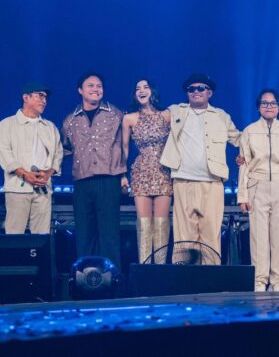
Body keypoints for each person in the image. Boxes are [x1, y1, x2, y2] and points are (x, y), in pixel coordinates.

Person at [160, 73, 240, 264]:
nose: (196, 91)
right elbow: (151, 121)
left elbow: (239, 139)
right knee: (184, 237)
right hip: (183, 180)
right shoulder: (176, 111)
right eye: (191, 89)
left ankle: (210, 277)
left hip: (212, 182)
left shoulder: (221, 116)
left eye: (201, 88)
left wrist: (269, 129)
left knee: (211, 234)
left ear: (209, 92)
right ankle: (183, 277)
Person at [238, 89, 279, 291]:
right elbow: (244, 164)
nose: (269, 106)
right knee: (258, 235)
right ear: (258, 107)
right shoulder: (249, 131)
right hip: (257, 184)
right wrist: (243, 195)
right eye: (264, 103)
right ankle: (259, 281)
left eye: (273, 103)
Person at [61, 72, 126, 265]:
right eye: (90, 85)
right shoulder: (70, 120)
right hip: (82, 182)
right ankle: (86, 275)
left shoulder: (116, 114)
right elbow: (64, 149)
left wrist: (124, 174)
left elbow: (126, 145)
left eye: (99, 86)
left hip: (109, 179)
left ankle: (112, 277)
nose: (96, 89)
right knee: (84, 233)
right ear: (80, 90)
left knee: (109, 233)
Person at [0, 83, 63, 235]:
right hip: (17, 188)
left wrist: (48, 173)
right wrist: (25, 174)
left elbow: (58, 154)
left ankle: (38, 253)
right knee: (14, 234)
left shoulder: (50, 127)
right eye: (40, 96)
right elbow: (5, 154)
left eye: (45, 97)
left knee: (41, 235)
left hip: (43, 188)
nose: (44, 100)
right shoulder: (7, 124)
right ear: (26, 97)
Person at [122, 79, 172, 264]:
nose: (141, 91)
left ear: (153, 91)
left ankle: (159, 269)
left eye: (145, 87)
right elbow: (124, 149)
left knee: (161, 223)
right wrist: (122, 175)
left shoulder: (167, 115)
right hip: (141, 171)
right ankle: (144, 269)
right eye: (137, 88)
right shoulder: (129, 118)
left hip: (164, 171)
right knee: (144, 224)